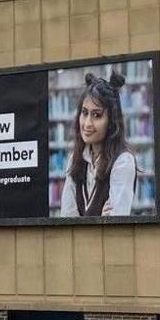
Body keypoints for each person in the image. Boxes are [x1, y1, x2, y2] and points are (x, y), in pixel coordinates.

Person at [59, 71, 139, 218]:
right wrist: (98, 220)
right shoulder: (75, 159)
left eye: (97, 115)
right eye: (84, 113)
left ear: (112, 121)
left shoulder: (123, 161)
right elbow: (66, 221)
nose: (87, 124)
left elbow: (114, 227)